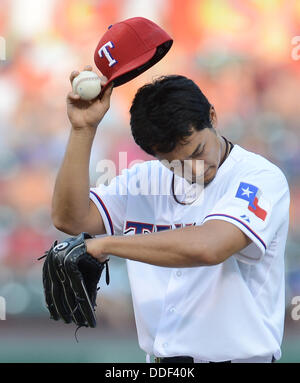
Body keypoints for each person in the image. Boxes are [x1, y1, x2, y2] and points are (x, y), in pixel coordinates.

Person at [51, 67, 290, 363]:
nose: (193, 168)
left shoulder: (259, 177)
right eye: (172, 162)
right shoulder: (144, 179)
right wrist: (82, 130)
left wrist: (106, 244)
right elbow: (70, 219)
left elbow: (209, 246)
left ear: (212, 118)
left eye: (197, 151)